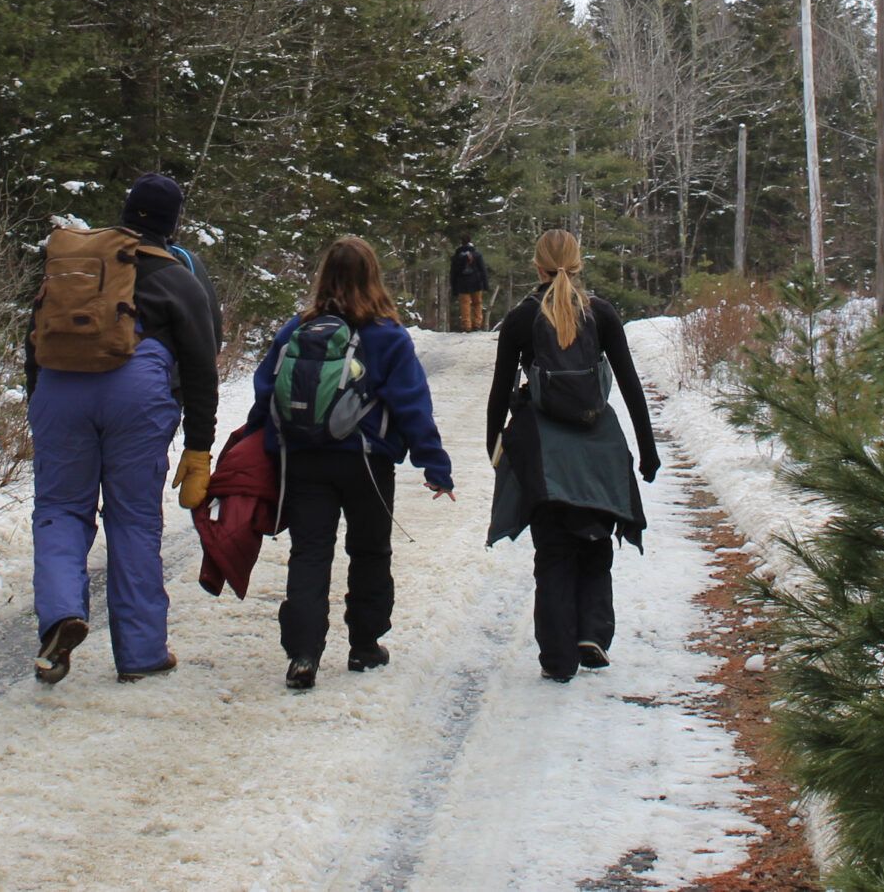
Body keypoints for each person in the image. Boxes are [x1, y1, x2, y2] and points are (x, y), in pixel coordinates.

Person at [25, 173, 219, 685]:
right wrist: (199, 447)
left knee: (60, 508)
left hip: (58, 389)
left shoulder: (75, 268)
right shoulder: (179, 277)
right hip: (135, 394)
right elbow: (201, 367)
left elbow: (34, 341)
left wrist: (38, 408)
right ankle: (140, 652)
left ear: (127, 210)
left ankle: (62, 614)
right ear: (173, 224)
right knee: (133, 519)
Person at [252, 235, 455, 691]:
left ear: (324, 275)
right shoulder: (387, 335)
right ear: (373, 276)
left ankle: (303, 654)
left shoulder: (295, 330)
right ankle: (364, 646)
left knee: (309, 553)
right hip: (365, 462)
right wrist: (433, 464)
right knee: (369, 551)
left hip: (303, 459)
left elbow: (266, 390)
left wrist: (255, 442)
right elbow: (411, 405)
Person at [485, 228, 660, 682]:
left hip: (546, 455)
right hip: (599, 449)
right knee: (595, 543)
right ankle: (593, 635)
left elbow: (500, 391)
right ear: (579, 264)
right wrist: (647, 451)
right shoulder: (601, 315)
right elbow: (629, 385)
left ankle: (558, 658)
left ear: (537, 267)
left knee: (554, 554)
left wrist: (495, 451)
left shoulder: (521, 320)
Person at [449, 238, 490, 332]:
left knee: (465, 304)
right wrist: (485, 284)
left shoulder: (456, 257)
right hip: (476, 283)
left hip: (462, 284)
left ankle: (466, 326)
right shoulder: (477, 255)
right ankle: (477, 324)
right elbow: (483, 270)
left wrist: (454, 288)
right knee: (477, 303)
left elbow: (453, 274)